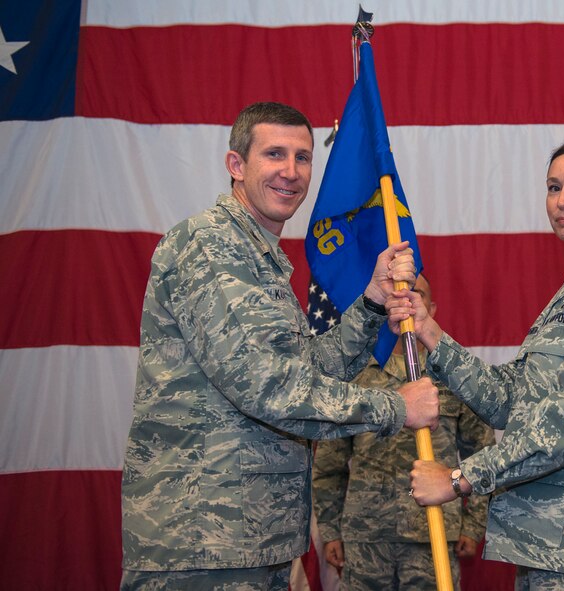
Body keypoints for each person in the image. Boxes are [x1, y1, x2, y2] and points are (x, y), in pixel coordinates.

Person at [120, 102, 440, 590]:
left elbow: (308, 368)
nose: (291, 172)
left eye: (303, 157)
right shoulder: (211, 246)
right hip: (204, 539)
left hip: (251, 538)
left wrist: (372, 302)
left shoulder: (258, 257)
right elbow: (267, 386)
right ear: (236, 165)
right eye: (274, 154)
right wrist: (394, 407)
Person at [388, 139, 564, 590]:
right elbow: (509, 401)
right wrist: (431, 334)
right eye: (554, 187)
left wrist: (461, 478)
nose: (563, 201)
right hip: (554, 545)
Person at [312, 274, 495, 590]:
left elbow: (484, 450)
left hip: (433, 531)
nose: (406, 300)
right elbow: (330, 463)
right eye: (398, 294)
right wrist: (330, 530)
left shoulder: (453, 372)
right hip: (365, 535)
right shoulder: (355, 373)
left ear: (432, 308)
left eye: (417, 294)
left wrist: (474, 524)